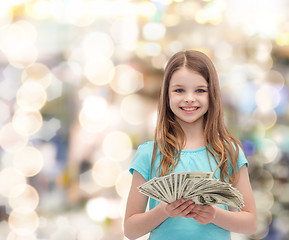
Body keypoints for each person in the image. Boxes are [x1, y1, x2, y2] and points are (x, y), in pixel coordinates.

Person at [124, 50, 257, 240]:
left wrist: (214, 215)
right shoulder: (149, 153)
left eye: (200, 90)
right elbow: (130, 230)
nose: (189, 98)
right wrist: (164, 211)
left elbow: (250, 223)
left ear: (212, 95)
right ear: (166, 95)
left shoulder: (228, 152)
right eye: (179, 90)